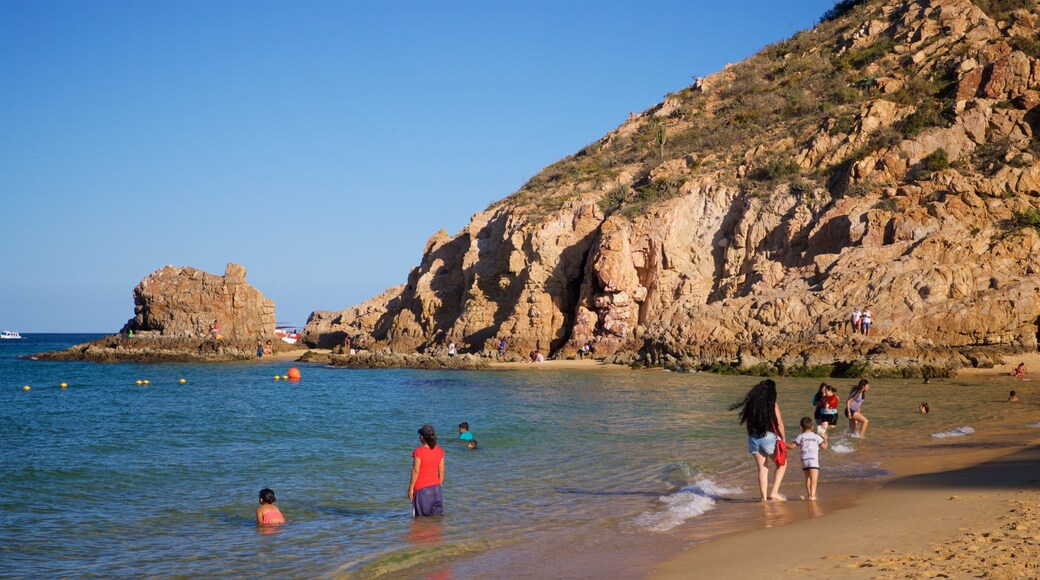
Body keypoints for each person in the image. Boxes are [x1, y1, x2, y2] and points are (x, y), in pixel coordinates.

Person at [730, 379, 787, 501]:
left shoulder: (752, 405)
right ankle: (774, 492)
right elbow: (780, 424)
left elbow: (747, 423)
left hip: (753, 438)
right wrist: (783, 437)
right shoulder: (773, 404)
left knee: (762, 469)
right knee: (782, 464)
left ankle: (763, 499)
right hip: (768, 437)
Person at [408, 424, 445, 517]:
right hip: (436, 489)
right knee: (436, 520)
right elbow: (442, 471)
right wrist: (439, 485)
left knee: (420, 521)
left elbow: (416, 471)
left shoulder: (419, 452)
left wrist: (411, 488)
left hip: (422, 490)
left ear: (422, 438)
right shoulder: (440, 451)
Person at [788, 416, 827, 501]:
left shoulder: (800, 436)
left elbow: (791, 446)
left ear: (801, 427)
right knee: (814, 479)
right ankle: (812, 496)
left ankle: (809, 494)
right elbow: (825, 447)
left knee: (808, 478)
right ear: (812, 427)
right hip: (813, 460)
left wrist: (782, 444)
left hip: (804, 460)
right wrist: (825, 439)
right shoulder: (817, 436)